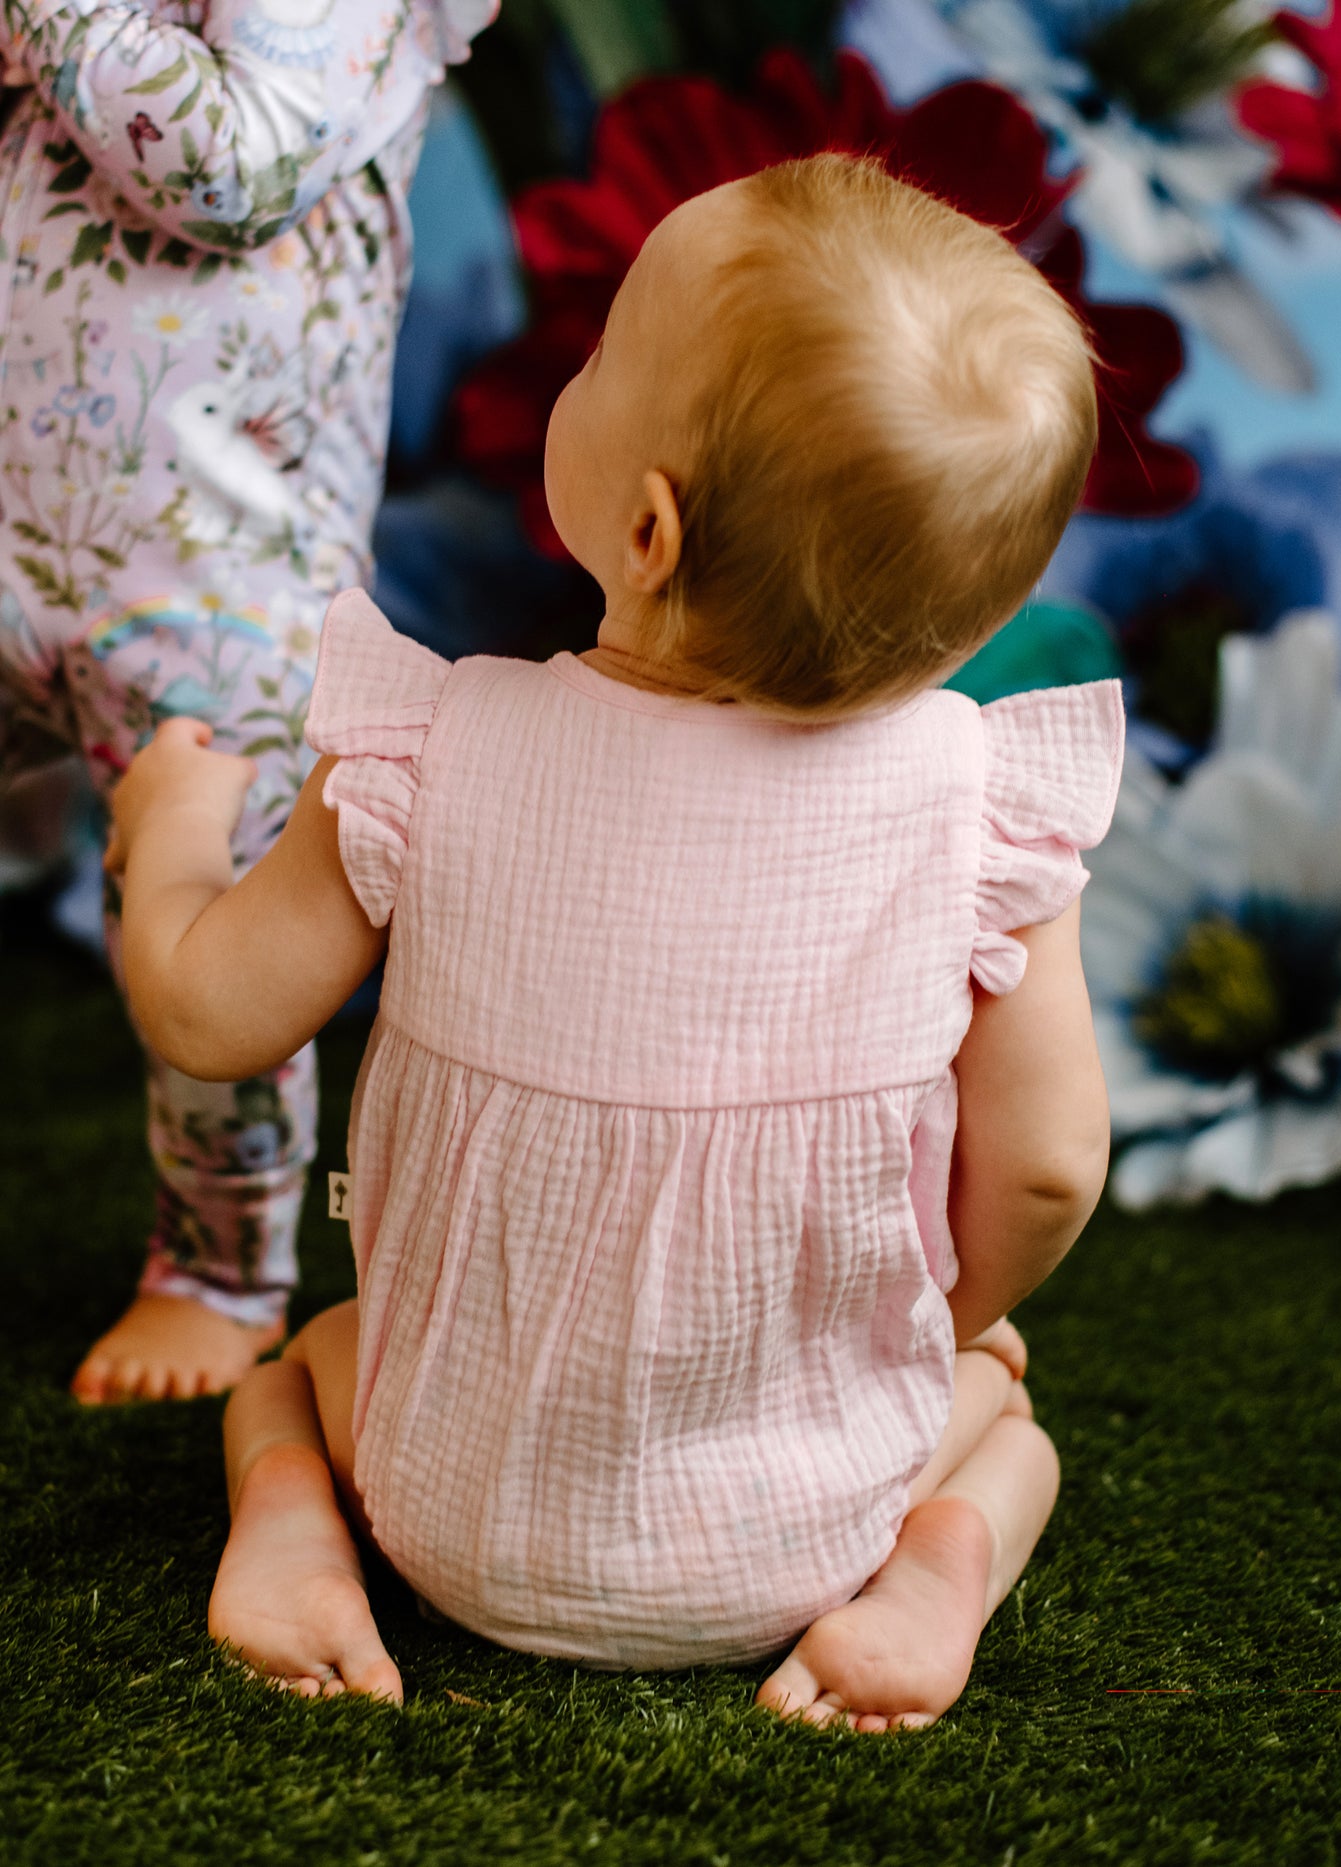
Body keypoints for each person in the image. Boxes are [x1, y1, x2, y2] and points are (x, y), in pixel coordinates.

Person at [105, 154, 1124, 1727]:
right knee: (1001, 1405)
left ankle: (295, 1522)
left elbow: (208, 1012)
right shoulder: (979, 816)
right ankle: (930, 1581)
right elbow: (1050, 1165)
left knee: (304, 1357)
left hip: (443, 1517)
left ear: (645, 530)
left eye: (593, 360)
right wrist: (939, 1317)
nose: (572, 373)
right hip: (805, 1534)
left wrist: (163, 835)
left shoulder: (433, 748)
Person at [0, 0, 496, 1402]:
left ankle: (217, 1267)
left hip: (221, 582)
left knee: (223, 927)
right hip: (18, 536)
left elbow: (235, 166)